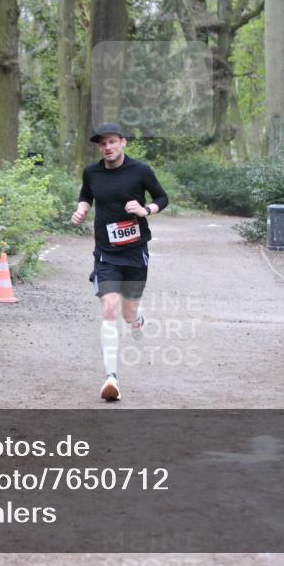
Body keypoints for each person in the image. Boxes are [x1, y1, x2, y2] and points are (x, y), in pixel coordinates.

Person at [71, 122, 168, 402]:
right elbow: (86, 194)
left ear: (123, 142)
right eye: (102, 143)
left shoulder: (140, 171)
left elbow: (162, 197)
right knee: (110, 308)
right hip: (105, 252)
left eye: (112, 141)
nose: (107, 147)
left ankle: (137, 318)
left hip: (135, 252)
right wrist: (81, 209)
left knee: (127, 313)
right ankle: (110, 378)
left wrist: (145, 209)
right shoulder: (92, 172)